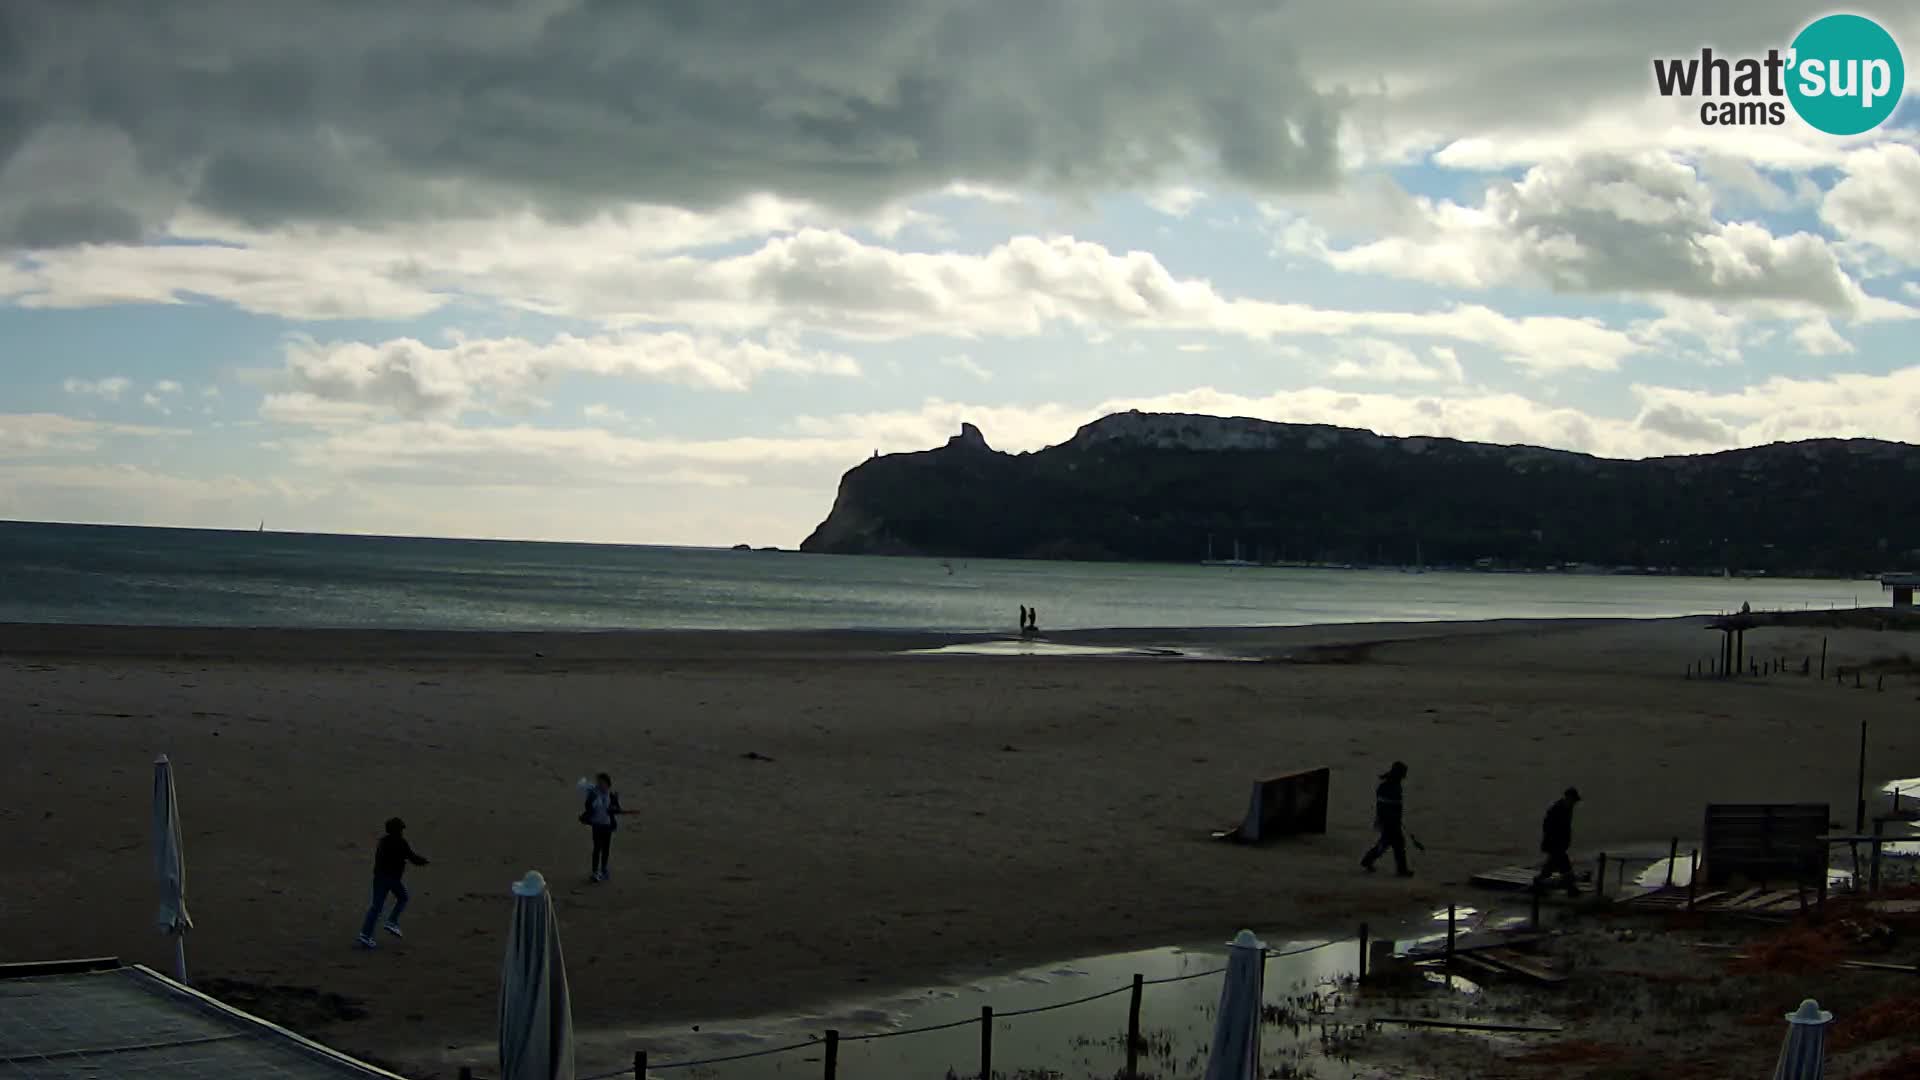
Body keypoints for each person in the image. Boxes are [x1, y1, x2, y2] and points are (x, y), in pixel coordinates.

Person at [357, 817, 428, 949]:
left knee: (376, 906)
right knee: (403, 897)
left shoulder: (383, 842)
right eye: (401, 829)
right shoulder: (400, 842)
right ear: (397, 830)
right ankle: (391, 921)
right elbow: (412, 857)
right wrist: (424, 861)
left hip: (379, 877)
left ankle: (365, 935)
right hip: (392, 878)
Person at [1360, 761, 1412, 877]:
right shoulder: (1392, 786)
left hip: (1388, 820)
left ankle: (1368, 860)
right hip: (1390, 821)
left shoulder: (1389, 784)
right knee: (1397, 844)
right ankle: (1401, 870)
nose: (1404, 776)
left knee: (1387, 843)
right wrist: (1394, 819)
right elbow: (1391, 806)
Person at [577, 773, 626, 882]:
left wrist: (614, 808)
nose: (600, 785)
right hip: (597, 825)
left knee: (605, 849)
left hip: (607, 826)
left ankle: (603, 869)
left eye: (602, 783)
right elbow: (588, 806)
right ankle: (595, 872)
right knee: (597, 848)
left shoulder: (612, 796)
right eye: (599, 783)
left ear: (608, 784)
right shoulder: (594, 795)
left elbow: (617, 809)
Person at [1534, 787, 1582, 896]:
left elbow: (1565, 828)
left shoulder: (1567, 808)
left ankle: (1539, 884)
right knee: (1563, 866)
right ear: (1568, 798)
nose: (1574, 803)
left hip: (1560, 844)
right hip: (1554, 843)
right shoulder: (1556, 809)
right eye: (1573, 800)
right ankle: (1571, 889)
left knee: (1553, 867)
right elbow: (1548, 827)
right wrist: (1555, 843)